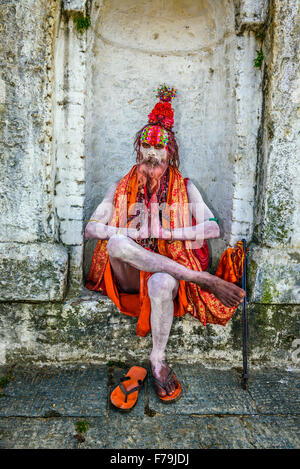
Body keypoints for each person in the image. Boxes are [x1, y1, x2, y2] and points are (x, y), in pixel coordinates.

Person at [85, 85, 245, 404]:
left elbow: (212, 228)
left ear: (169, 154)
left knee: (159, 284)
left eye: (159, 156)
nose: (152, 162)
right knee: (116, 242)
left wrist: (167, 234)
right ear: (139, 153)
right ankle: (204, 280)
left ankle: (157, 361)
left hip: (169, 278)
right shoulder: (121, 187)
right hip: (128, 273)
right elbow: (91, 228)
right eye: (146, 155)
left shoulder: (186, 187)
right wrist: (133, 232)